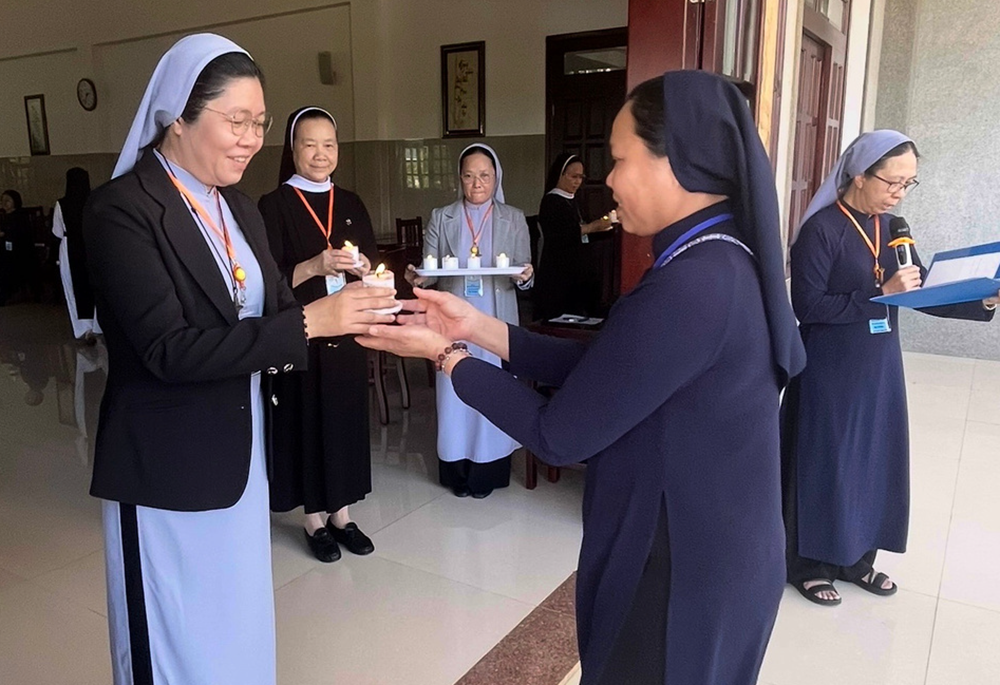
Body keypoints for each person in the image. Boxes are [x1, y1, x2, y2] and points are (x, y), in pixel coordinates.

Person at [361, 71, 806, 685]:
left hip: (681, 570)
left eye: (622, 160)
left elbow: (559, 434)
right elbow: (615, 371)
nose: (609, 180)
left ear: (676, 162)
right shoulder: (714, 255)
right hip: (710, 546)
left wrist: (444, 355)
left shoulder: (695, 283)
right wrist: (478, 328)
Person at [82, 34, 396, 685]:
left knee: (236, 624)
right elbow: (167, 349)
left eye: (258, 122)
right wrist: (314, 320)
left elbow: (280, 310)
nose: (252, 138)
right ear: (176, 116)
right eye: (237, 121)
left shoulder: (241, 210)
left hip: (239, 459)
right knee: (174, 640)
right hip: (165, 470)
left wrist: (374, 309)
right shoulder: (121, 211)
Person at [782, 130, 999, 606]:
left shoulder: (894, 226)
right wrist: (877, 298)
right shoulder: (820, 231)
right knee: (826, 463)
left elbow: (918, 293)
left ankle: (856, 558)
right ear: (859, 176)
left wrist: (983, 297)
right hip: (828, 368)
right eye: (892, 182)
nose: (899, 193)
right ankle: (807, 563)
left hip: (878, 366)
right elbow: (809, 305)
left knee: (872, 462)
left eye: (908, 183)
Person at [259, 106, 378, 562]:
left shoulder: (350, 202)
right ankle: (313, 520)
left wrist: (366, 267)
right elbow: (267, 282)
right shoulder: (274, 205)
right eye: (310, 144)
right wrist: (313, 265)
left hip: (346, 333)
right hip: (302, 332)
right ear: (292, 150)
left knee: (344, 419)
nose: (320, 153)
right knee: (307, 421)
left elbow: (368, 259)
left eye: (329, 144)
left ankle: (342, 515)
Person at [404, 144, 533, 499]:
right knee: (455, 395)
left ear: (496, 178)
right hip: (451, 322)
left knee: (493, 391)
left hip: (494, 323)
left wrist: (525, 276)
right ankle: (456, 470)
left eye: (485, 175)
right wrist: (417, 277)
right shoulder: (441, 216)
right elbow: (429, 271)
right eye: (469, 175)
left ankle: (488, 471)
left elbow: (524, 272)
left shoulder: (514, 218)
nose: (477, 183)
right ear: (459, 178)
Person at [533, 153, 613, 320]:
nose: (578, 182)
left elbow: (582, 235)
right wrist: (593, 227)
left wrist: (606, 229)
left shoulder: (574, 201)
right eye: (573, 177)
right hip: (558, 272)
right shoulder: (552, 201)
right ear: (561, 175)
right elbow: (562, 235)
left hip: (577, 271)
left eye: (581, 177)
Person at [52, 168, 101, 341]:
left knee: (73, 288)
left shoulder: (61, 204)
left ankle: (83, 329)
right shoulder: (95, 200)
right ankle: (98, 326)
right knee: (94, 286)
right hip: (92, 248)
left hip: (69, 249)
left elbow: (57, 232)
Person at [0, 189, 34, 305]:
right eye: (2, 200)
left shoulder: (20, 217)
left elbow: (20, 236)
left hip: (18, 252)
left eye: (7, 200)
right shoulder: (4, 216)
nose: (4, 203)